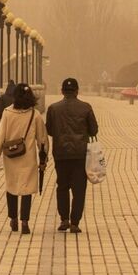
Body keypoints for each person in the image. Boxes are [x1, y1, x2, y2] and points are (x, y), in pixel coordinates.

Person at [0, 83, 47, 234]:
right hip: (28, 158)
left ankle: (13, 219)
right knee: (26, 189)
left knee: (12, 187)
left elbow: (0, 135)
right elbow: (42, 140)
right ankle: (25, 222)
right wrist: (44, 159)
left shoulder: (8, 113)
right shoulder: (35, 114)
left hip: (11, 158)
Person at [45, 77, 98, 233]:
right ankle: (75, 222)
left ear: (62, 91)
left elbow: (49, 130)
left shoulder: (54, 108)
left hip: (60, 154)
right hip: (80, 154)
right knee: (79, 189)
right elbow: (94, 130)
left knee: (62, 187)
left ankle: (64, 220)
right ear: (77, 91)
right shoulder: (86, 107)